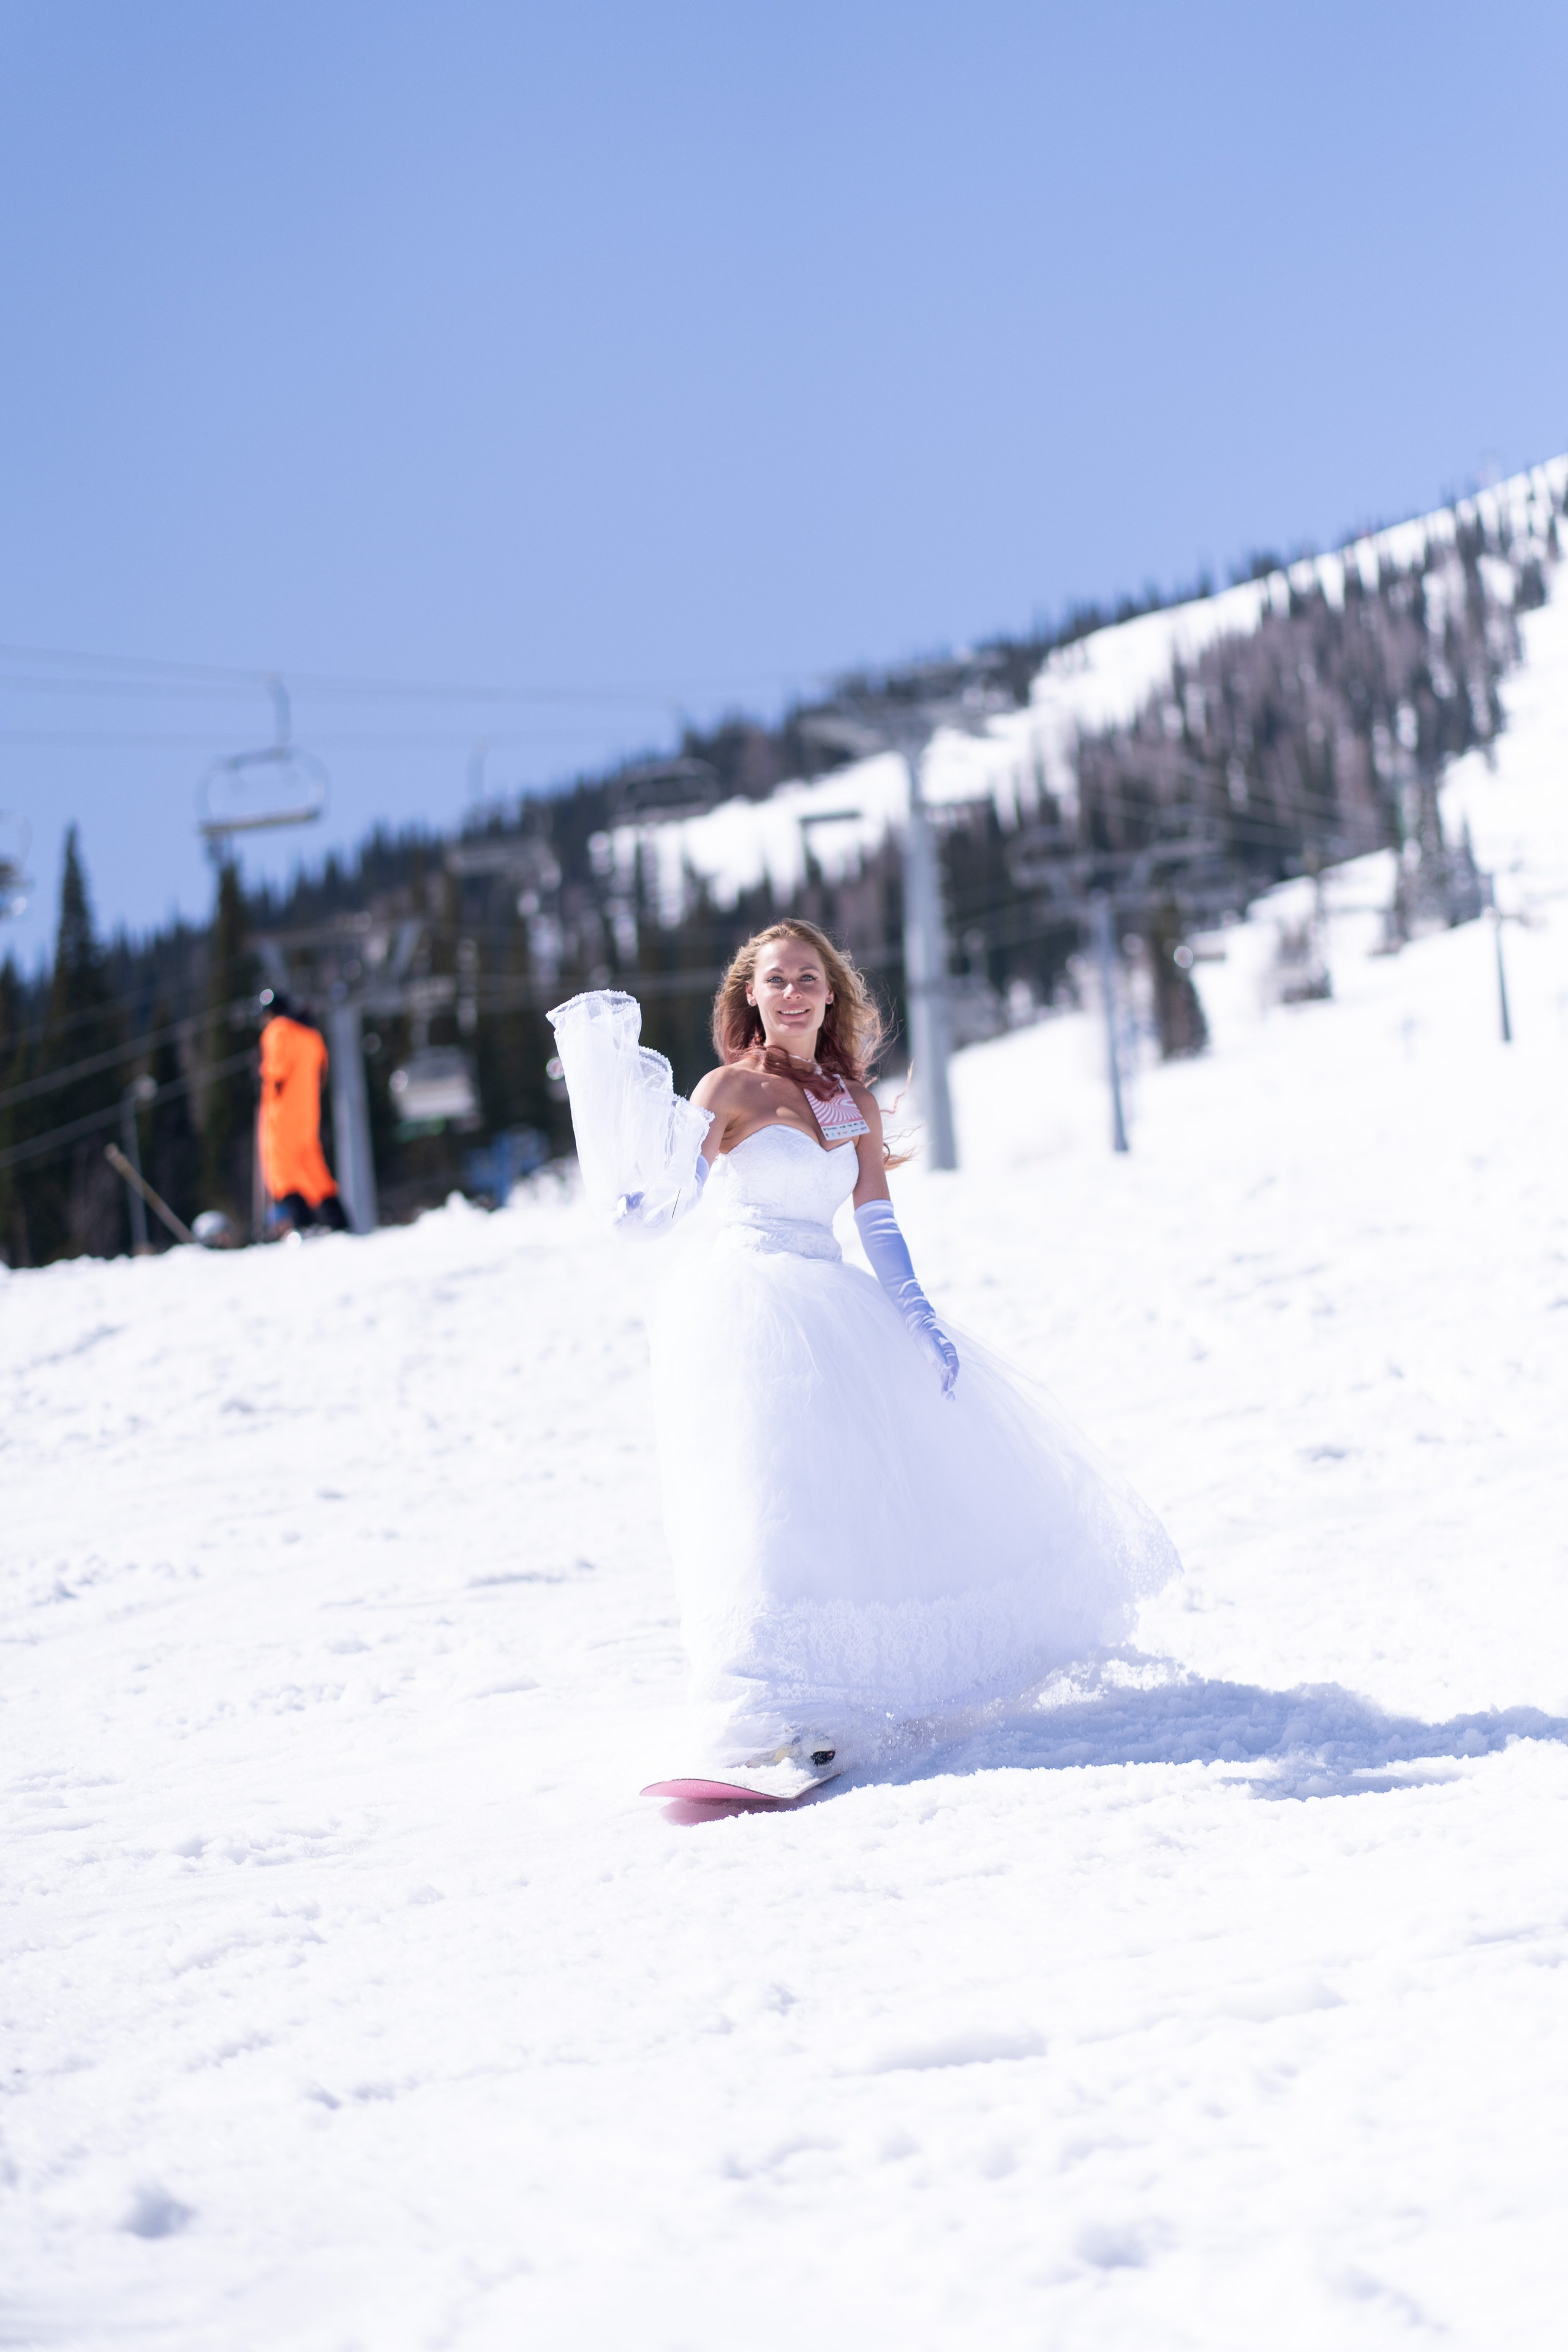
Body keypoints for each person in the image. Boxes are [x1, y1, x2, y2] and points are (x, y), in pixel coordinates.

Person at [549, 920, 1177, 1794]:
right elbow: (673, 1198)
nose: (794, 992)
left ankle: (829, 1714)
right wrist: (630, 1206)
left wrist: (916, 1311)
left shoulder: (852, 1102)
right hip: (752, 1310)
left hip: (837, 1307)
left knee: (843, 1509)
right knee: (766, 1507)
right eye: (776, 980)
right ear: (753, 997)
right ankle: (752, 1720)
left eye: (809, 977)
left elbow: (875, 1217)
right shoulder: (726, 1088)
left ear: (830, 993)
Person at [258, 993, 348, 1234]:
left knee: (282, 1167)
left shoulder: (278, 1030)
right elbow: (322, 1074)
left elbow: (277, 1070)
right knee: (311, 1164)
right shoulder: (312, 1035)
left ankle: (303, 1221)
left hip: (283, 1111)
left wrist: (271, 1086)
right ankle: (337, 1218)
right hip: (308, 1110)